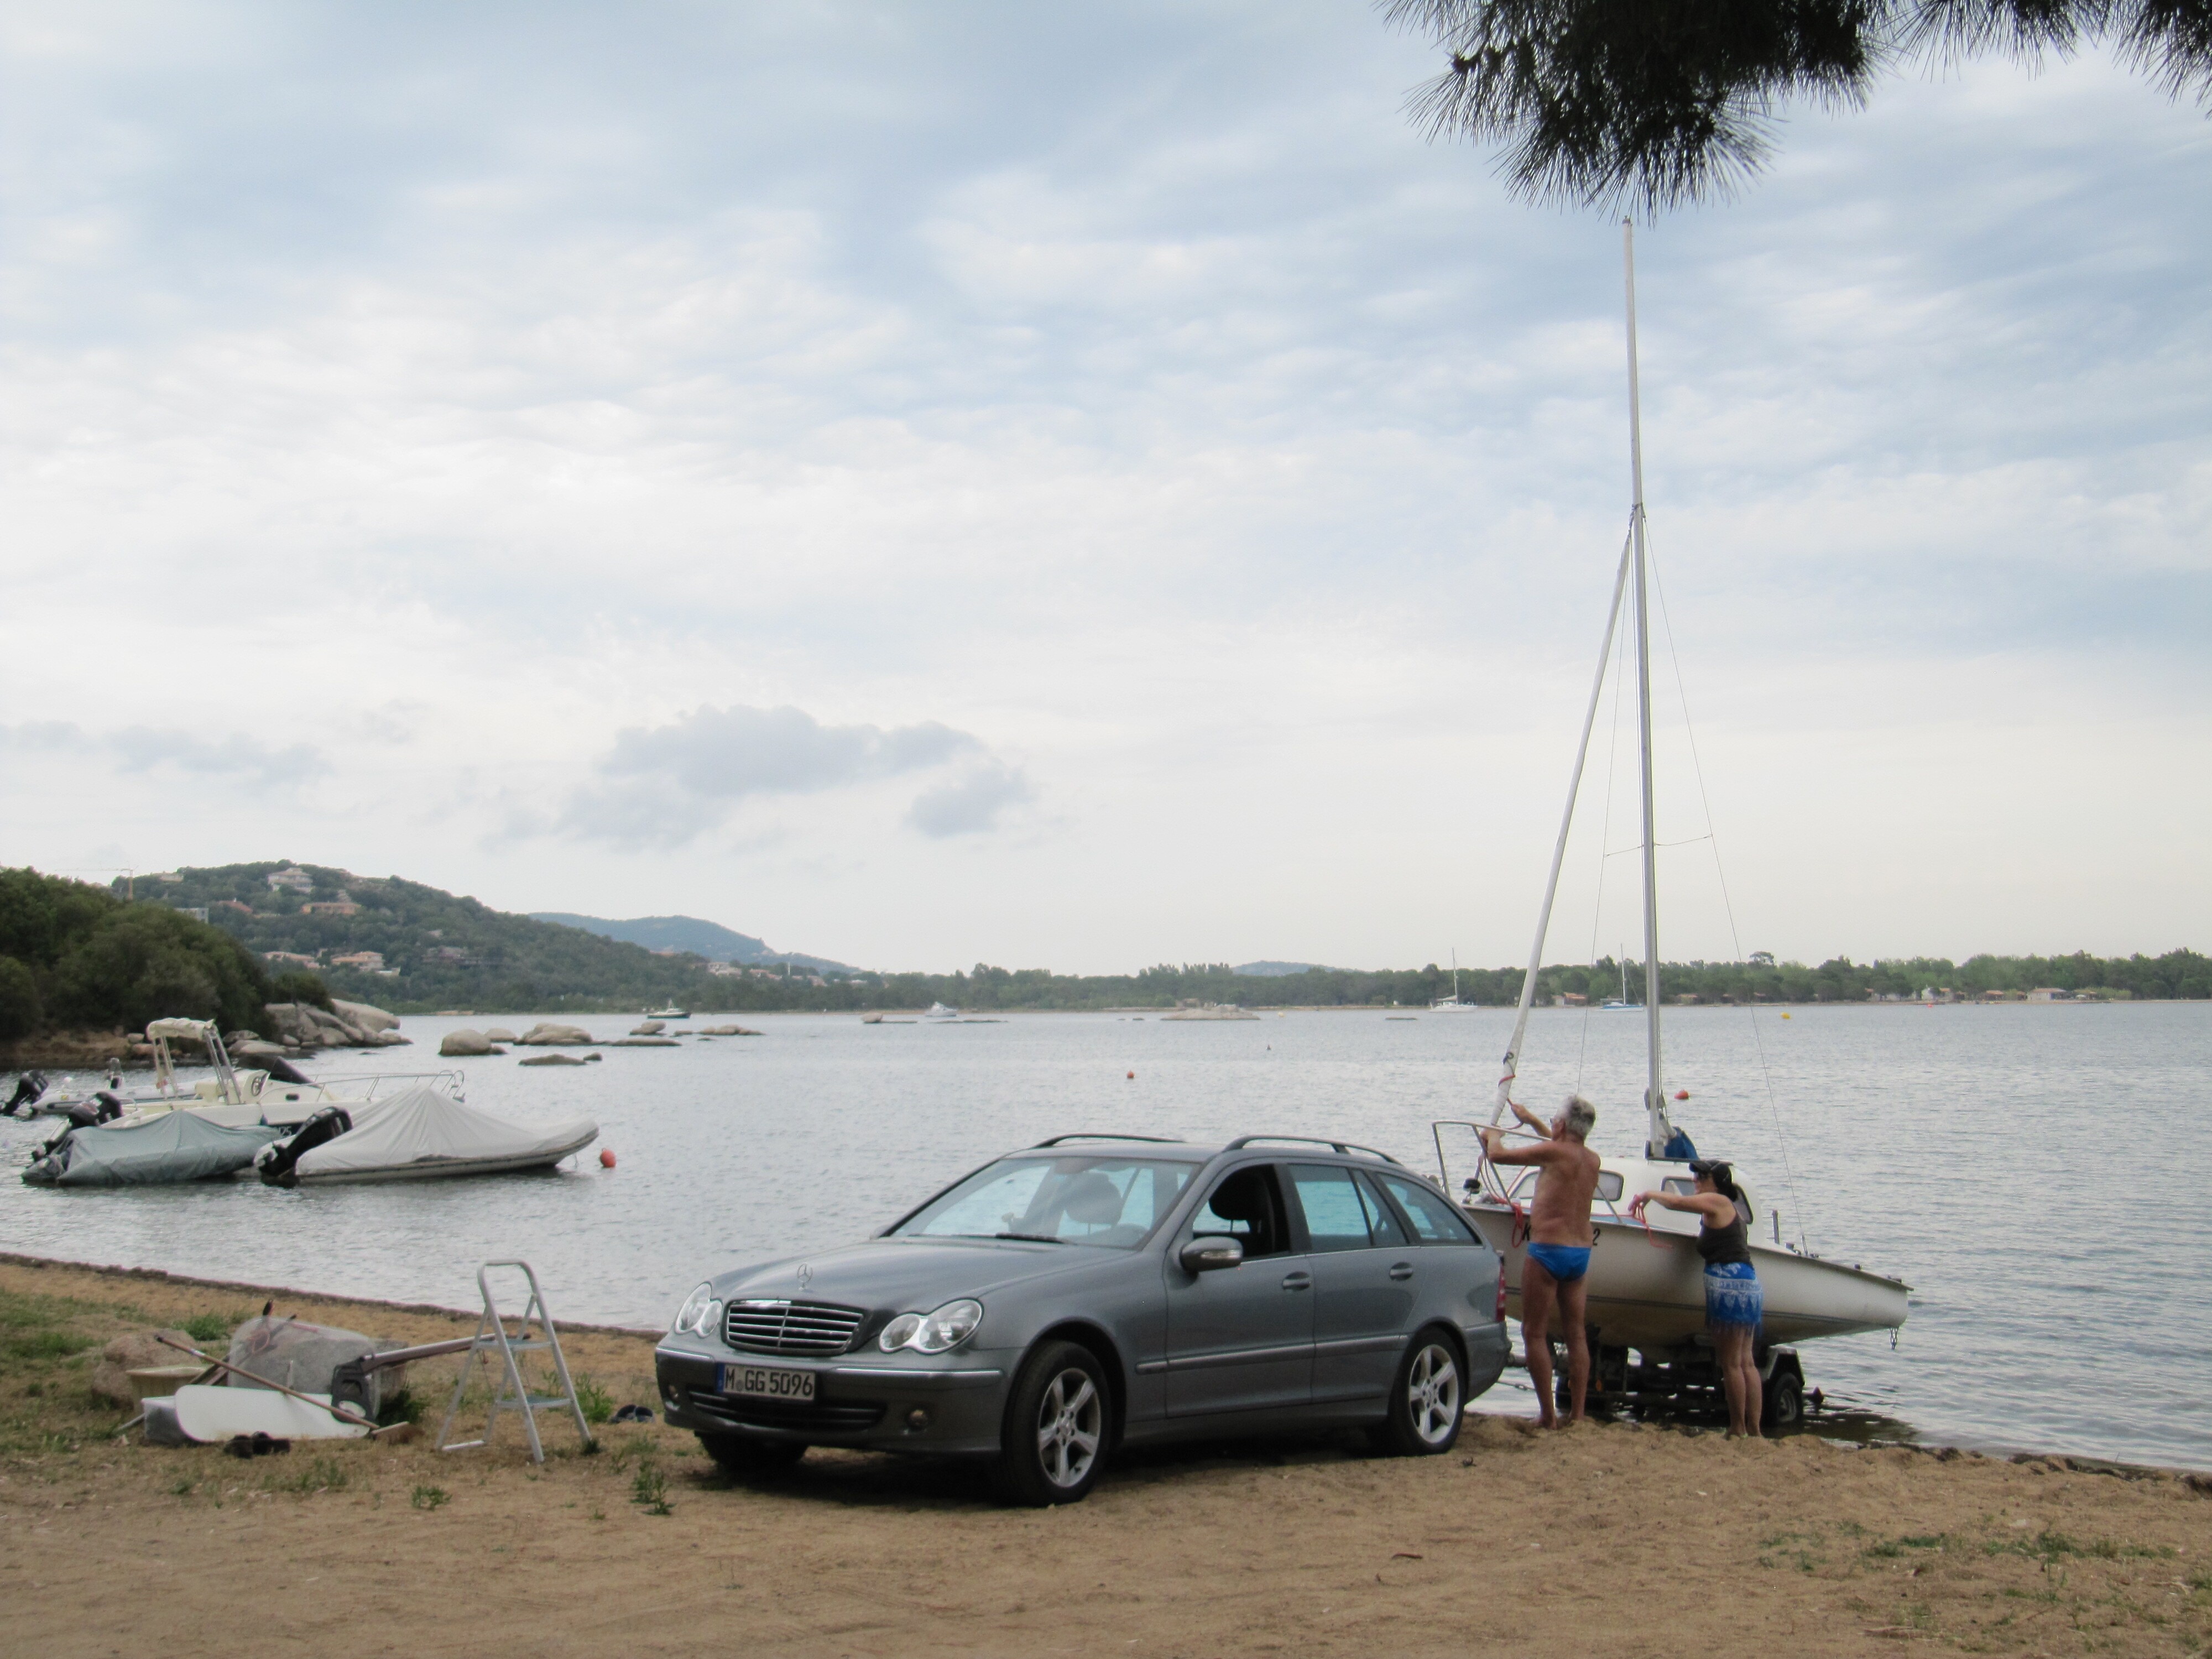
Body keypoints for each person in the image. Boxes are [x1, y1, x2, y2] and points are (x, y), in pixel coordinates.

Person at [1481, 1095, 1601, 1427]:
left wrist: (1493, 1135)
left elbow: (1497, 1155)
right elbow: (1560, 1148)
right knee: (1576, 1334)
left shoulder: (1553, 1152)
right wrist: (1532, 1120)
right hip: (1580, 1253)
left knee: (1534, 1332)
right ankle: (1577, 1415)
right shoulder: (1592, 1160)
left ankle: (1548, 1415)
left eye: (1554, 1121)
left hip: (1549, 1249)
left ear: (1561, 1125)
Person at [1630, 1158, 1764, 1437]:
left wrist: (1648, 1194)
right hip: (1747, 1282)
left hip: (1728, 1286)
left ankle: (1738, 1428)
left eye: (1702, 1177)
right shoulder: (1728, 1209)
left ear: (1717, 1184)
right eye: (1696, 1177)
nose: (1696, 1181)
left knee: (1732, 1363)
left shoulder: (1718, 1202)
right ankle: (1754, 1430)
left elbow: (1676, 1203)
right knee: (1746, 1361)